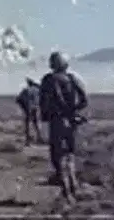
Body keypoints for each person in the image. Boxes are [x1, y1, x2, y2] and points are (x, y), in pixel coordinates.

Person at [39, 51, 88, 203]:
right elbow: (84, 100)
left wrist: (49, 115)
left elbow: (44, 103)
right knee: (70, 155)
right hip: (72, 121)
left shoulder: (48, 80)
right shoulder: (73, 79)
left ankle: (67, 193)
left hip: (58, 121)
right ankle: (75, 187)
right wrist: (73, 111)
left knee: (58, 157)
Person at [16, 78, 44, 146]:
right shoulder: (37, 90)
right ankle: (39, 138)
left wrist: (24, 107)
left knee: (28, 125)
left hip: (28, 108)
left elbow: (18, 99)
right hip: (34, 108)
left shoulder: (26, 90)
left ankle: (28, 140)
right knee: (35, 123)